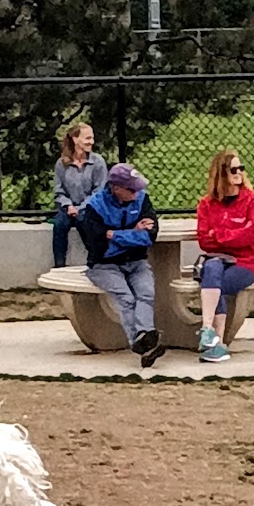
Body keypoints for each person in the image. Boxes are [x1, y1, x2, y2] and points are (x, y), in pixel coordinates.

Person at [76, 162, 163, 367]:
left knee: (146, 292)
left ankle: (144, 339)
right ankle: (142, 343)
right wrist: (133, 231)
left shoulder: (142, 200)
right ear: (116, 188)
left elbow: (150, 236)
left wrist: (114, 234)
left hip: (136, 261)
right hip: (103, 266)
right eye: (132, 189)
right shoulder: (94, 207)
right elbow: (96, 244)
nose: (137, 192)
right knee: (126, 298)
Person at [192, 149, 254, 366]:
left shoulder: (251, 200)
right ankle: (211, 337)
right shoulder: (206, 204)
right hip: (217, 259)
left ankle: (213, 339)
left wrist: (220, 235)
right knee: (212, 269)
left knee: (215, 284)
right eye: (234, 169)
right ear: (222, 173)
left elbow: (249, 235)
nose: (239, 173)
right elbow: (204, 240)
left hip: (246, 262)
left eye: (241, 168)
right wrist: (232, 235)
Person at [52, 122, 108, 269]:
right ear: (75, 140)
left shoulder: (98, 162)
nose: (91, 142)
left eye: (92, 138)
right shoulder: (61, 163)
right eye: (87, 138)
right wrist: (69, 206)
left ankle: (95, 262)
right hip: (68, 207)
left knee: (85, 221)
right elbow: (58, 190)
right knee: (59, 225)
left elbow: (100, 190)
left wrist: (81, 207)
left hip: (90, 207)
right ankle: (59, 266)